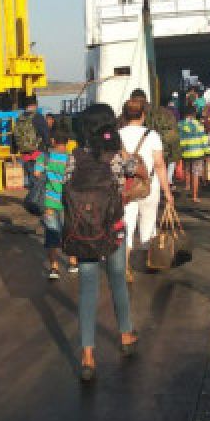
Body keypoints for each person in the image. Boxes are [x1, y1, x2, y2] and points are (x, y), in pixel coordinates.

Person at [64, 103, 138, 381]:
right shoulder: (115, 157)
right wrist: (124, 156)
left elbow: (65, 188)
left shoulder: (75, 157)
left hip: (84, 231)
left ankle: (87, 355)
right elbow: (130, 177)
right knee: (117, 278)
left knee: (87, 289)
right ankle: (126, 335)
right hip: (114, 229)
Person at [118, 96, 174, 281]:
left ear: (124, 116)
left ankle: (125, 266)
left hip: (126, 186)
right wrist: (168, 192)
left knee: (127, 226)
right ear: (143, 115)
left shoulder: (118, 135)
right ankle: (147, 262)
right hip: (149, 186)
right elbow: (159, 164)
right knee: (148, 224)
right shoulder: (152, 135)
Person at [35, 124, 75, 280]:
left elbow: (37, 174)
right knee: (70, 232)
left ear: (52, 141)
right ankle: (72, 262)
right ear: (67, 141)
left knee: (52, 234)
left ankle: (54, 267)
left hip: (50, 202)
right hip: (68, 203)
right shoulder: (72, 158)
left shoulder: (44, 157)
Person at [129, 88, 181, 191]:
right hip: (160, 158)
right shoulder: (165, 113)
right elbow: (173, 138)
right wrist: (175, 159)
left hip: (134, 163)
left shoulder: (127, 114)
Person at [12, 95, 50, 188]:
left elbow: (14, 135)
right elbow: (45, 133)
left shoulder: (19, 118)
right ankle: (34, 201)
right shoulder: (37, 117)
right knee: (40, 181)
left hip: (24, 153)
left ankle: (32, 199)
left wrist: (13, 151)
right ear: (35, 105)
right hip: (38, 152)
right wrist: (48, 146)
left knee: (31, 178)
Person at [178, 103, 210, 202]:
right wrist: (207, 151)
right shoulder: (199, 124)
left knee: (187, 169)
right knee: (196, 173)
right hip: (198, 152)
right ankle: (195, 196)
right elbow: (204, 139)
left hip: (185, 152)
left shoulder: (179, 124)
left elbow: (178, 138)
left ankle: (187, 186)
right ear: (194, 114)